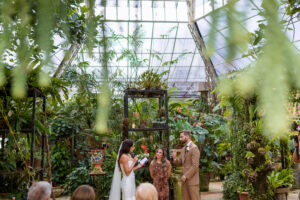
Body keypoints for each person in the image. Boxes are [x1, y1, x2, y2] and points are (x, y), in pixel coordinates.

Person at [172, 130, 200, 200]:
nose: (180, 139)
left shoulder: (194, 148)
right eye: (180, 137)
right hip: (184, 182)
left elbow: (195, 166)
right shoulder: (183, 149)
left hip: (192, 181)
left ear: (187, 136)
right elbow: (180, 162)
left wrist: (186, 176)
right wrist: (174, 158)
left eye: (181, 137)